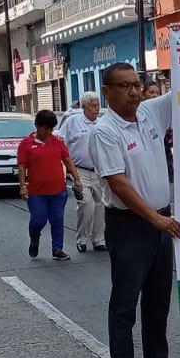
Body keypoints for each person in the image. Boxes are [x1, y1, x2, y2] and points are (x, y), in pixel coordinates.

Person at [90, 62, 180, 358]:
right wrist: (155, 218)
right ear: (107, 92)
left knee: (158, 299)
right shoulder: (105, 130)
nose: (134, 91)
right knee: (125, 301)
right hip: (131, 226)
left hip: (161, 221)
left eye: (137, 84)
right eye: (124, 86)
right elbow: (118, 184)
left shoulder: (149, 114)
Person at [19, 109, 83, 261]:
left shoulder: (57, 142)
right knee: (38, 219)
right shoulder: (26, 145)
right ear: (37, 126)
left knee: (57, 220)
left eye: (51, 129)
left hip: (58, 191)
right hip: (37, 193)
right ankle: (34, 237)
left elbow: (67, 160)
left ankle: (57, 249)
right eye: (45, 128)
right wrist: (23, 186)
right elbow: (22, 166)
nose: (48, 132)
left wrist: (76, 179)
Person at [59, 93, 107, 253]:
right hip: (80, 171)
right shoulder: (73, 121)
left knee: (101, 206)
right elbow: (61, 142)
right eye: (93, 106)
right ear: (84, 106)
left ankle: (98, 239)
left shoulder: (103, 123)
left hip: (100, 171)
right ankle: (81, 239)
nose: (96, 109)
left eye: (98, 105)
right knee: (87, 204)